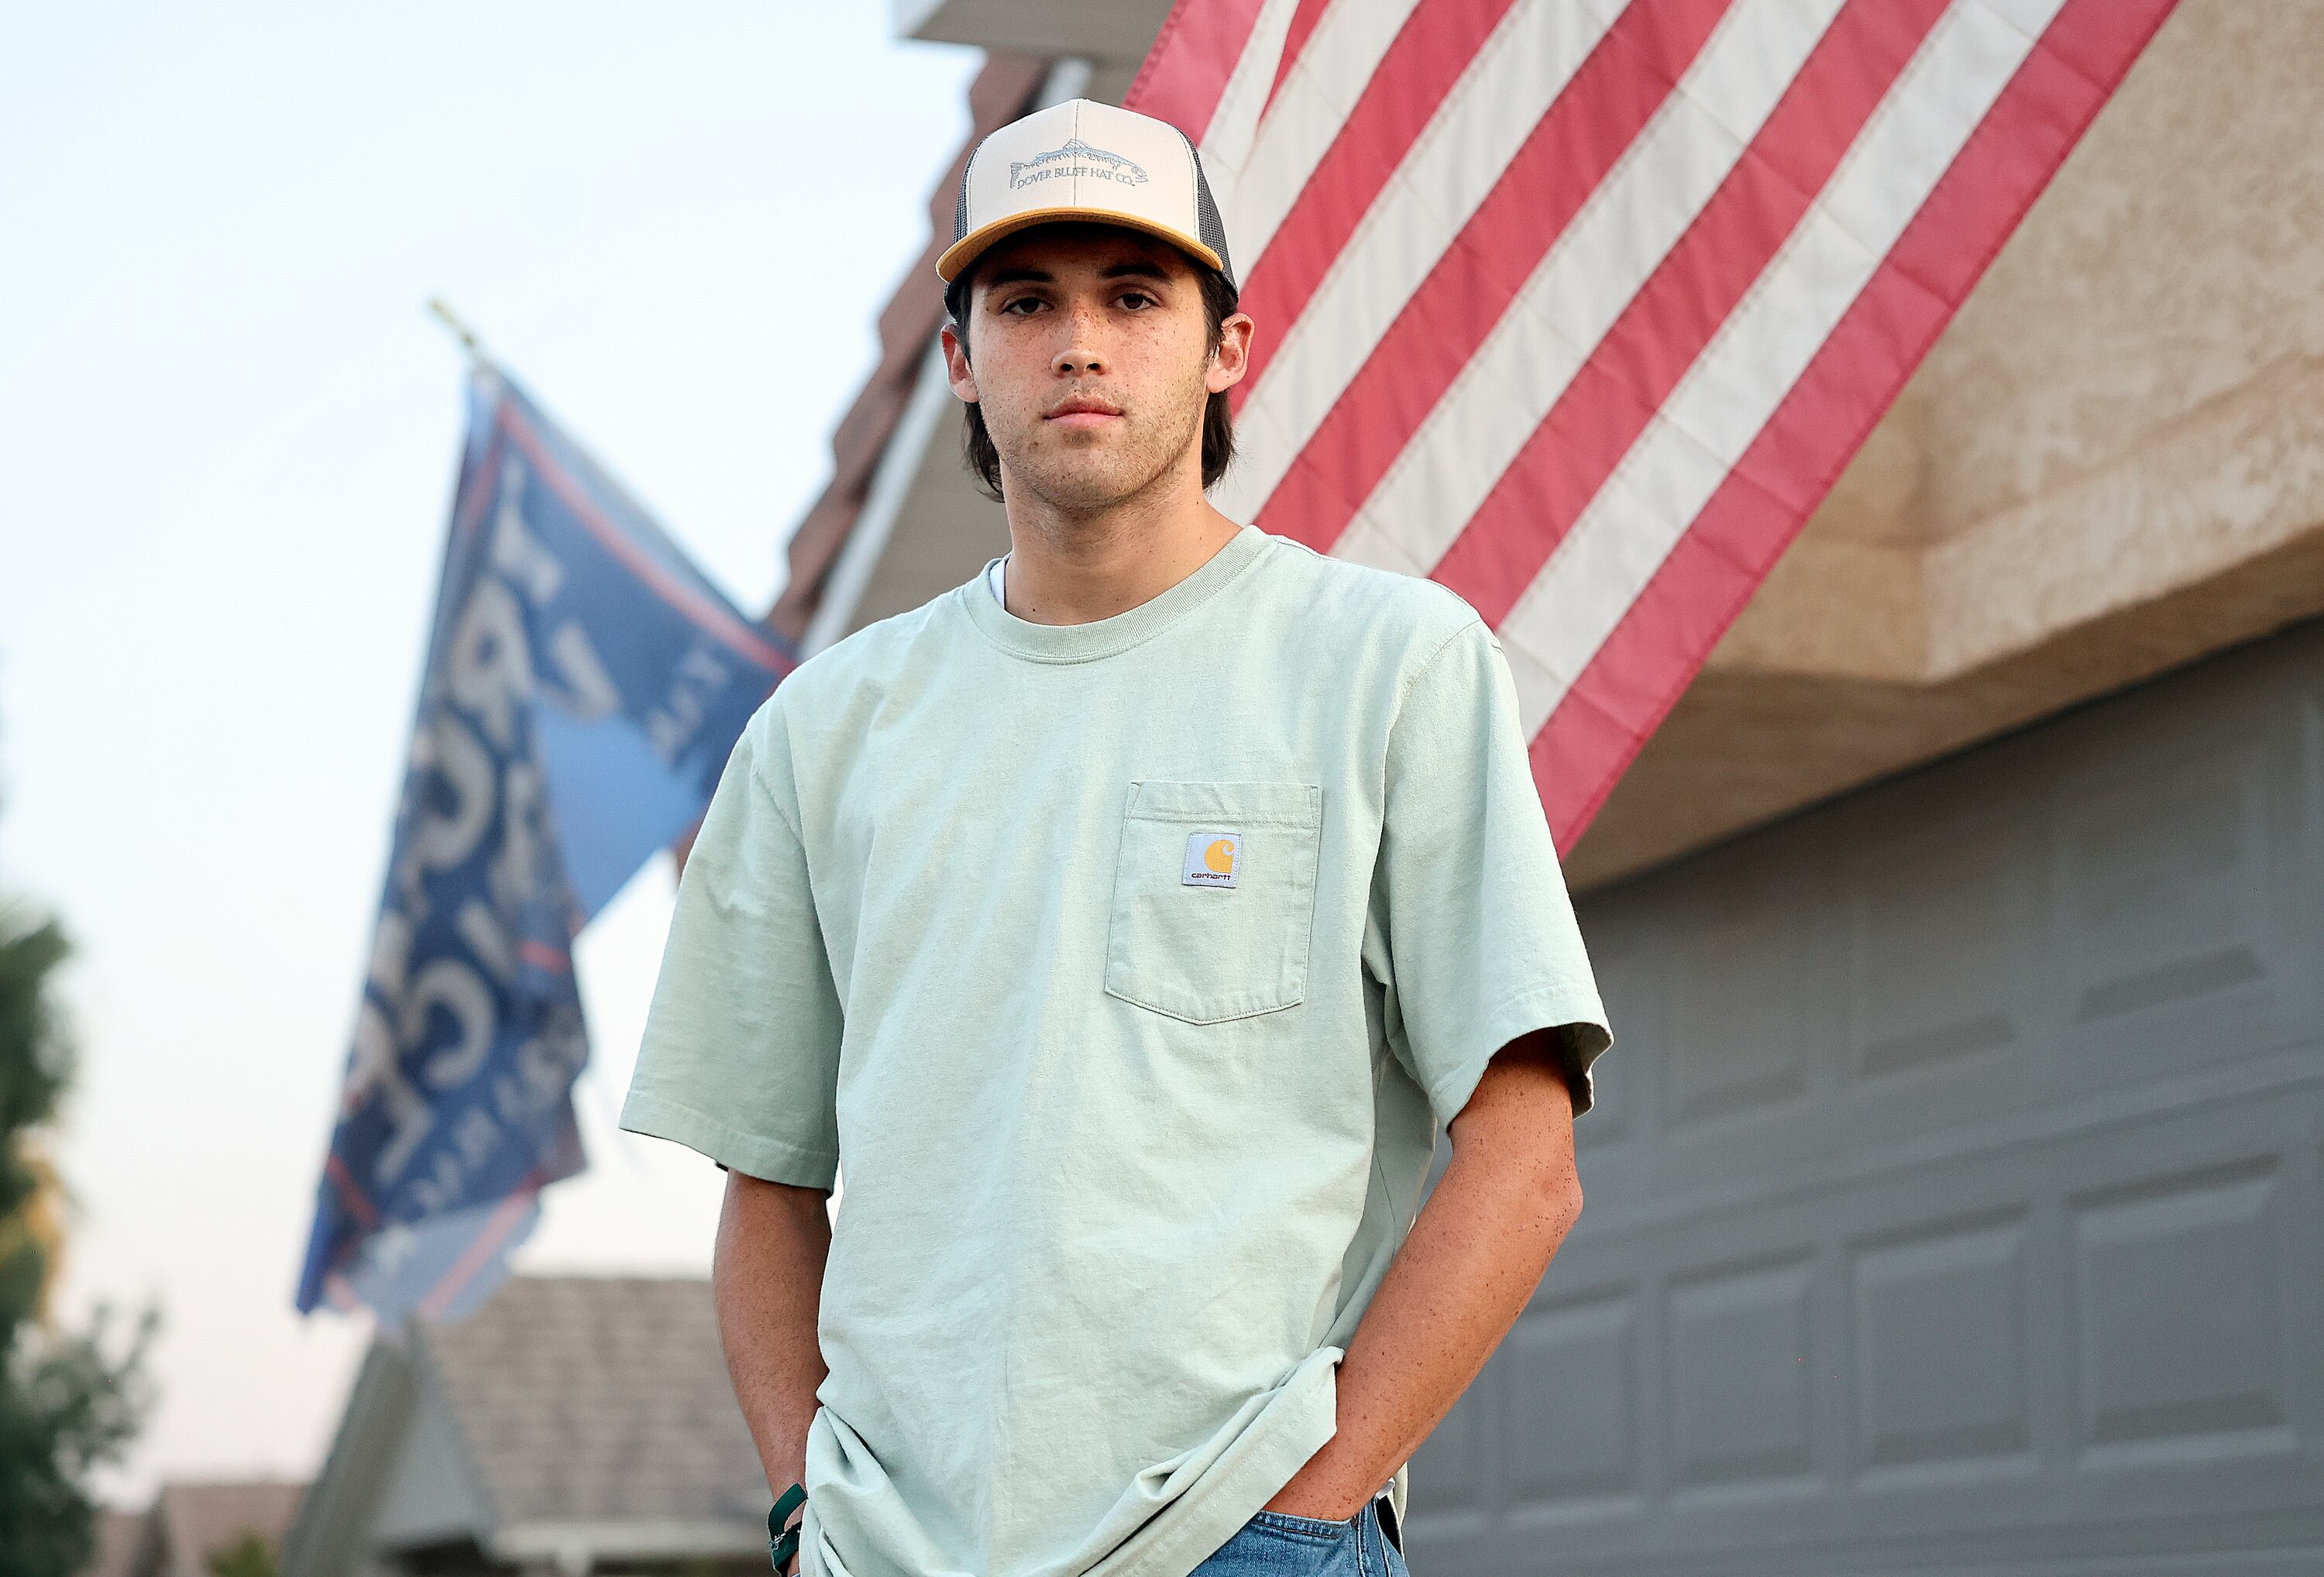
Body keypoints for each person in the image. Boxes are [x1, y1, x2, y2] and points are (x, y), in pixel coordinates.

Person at [619, 97, 1612, 1577]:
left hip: (1243, 1534)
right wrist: (801, 1512)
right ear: (960, 359)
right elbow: (768, 1183)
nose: (1080, 340)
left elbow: (1527, 1154)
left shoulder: (1389, 665)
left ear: (1225, 346)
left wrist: (1312, 1504)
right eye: (1027, 301)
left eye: (1134, 295)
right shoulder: (823, 733)